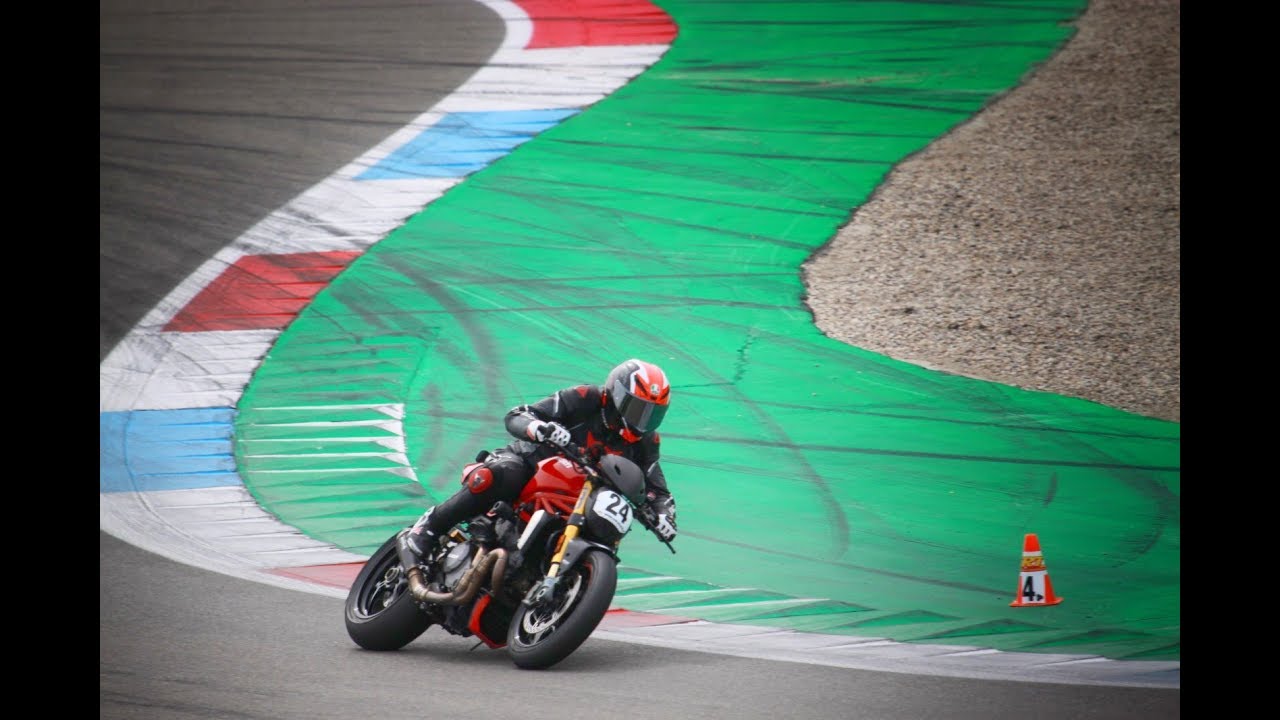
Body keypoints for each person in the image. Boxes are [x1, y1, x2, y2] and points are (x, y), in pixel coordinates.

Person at [396, 358, 678, 571]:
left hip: (582, 497)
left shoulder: (646, 442)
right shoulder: (585, 399)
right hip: (534, 464)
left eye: (652, 414)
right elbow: (519, 414)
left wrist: (664, 516)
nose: (643, 421)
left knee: (609, 531)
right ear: (616, 396)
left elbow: (657, 488)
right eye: (638, 409)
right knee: (502, 474)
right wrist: (540, 429)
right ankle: (430, 527)